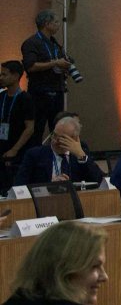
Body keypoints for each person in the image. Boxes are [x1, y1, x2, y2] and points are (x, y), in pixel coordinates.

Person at [21, 10, 72, 145]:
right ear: (46, 24)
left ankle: (57, 160)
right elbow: (31, 66)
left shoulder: (55, 44)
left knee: (58, 128)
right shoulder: (31, 43)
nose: (58, 25)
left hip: (57, 90)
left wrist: (64, 66)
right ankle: (35, 160)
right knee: (37, 129)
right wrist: (55, 63)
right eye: (55, 22)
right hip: (40, 93)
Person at [18, 113, 102, 185]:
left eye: (61, 138)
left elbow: (98, 181)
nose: (55, 141)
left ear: (74, 139)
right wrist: (49, 185)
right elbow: (19, 186)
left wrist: (81, 155)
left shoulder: (80, 155)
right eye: (54, 135)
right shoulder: (34, 155)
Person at [0, 59, 38, 183]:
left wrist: (15, 149)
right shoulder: (2, 96)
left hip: (17, 151)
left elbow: (30, 128)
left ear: (16, 76)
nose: (1, 77)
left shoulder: (25, 99)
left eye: (4, 74)